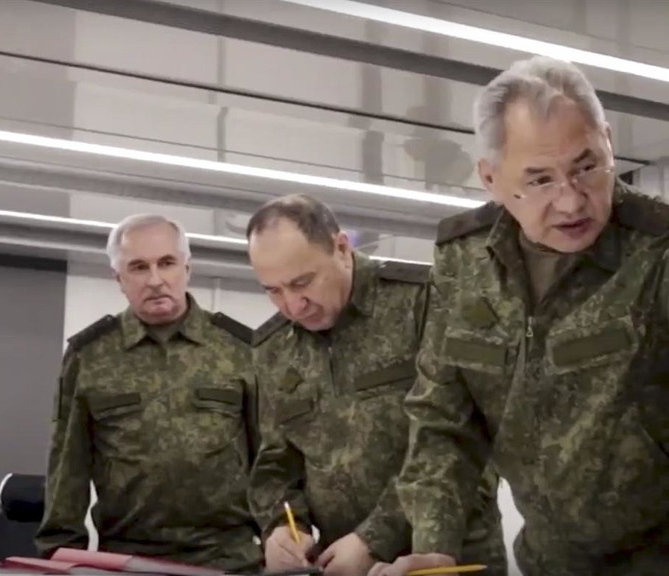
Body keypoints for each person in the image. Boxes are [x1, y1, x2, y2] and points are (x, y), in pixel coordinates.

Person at [369, 56, 669, 576]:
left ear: (608, 141)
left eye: (586, 167)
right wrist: (435, 546)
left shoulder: (658, 250)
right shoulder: (465, 263)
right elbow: (445, 420)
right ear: (490, 177)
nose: (571, 201)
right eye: (540, 180)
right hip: (546, 562)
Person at [246, 195, 506, 576]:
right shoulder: (273, 348)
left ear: (341, 248)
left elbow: (471, 446)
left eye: (302, 282)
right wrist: (283, 527)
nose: (293, 306)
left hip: (446, 558)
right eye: (273, 290)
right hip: (340, 564)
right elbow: (276, 462)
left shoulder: (424, 301)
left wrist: (374, 538)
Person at [35, 214, 261, 572]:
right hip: (127, 558)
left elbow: (272, 458)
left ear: (187, 269)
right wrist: (60, 556)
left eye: (167, 263)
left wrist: (285, 533)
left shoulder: (240, 349)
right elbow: (67, 464)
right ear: (119, 279)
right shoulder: (90, 356)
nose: (155, 280)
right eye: (139, 267)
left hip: (229, 558)